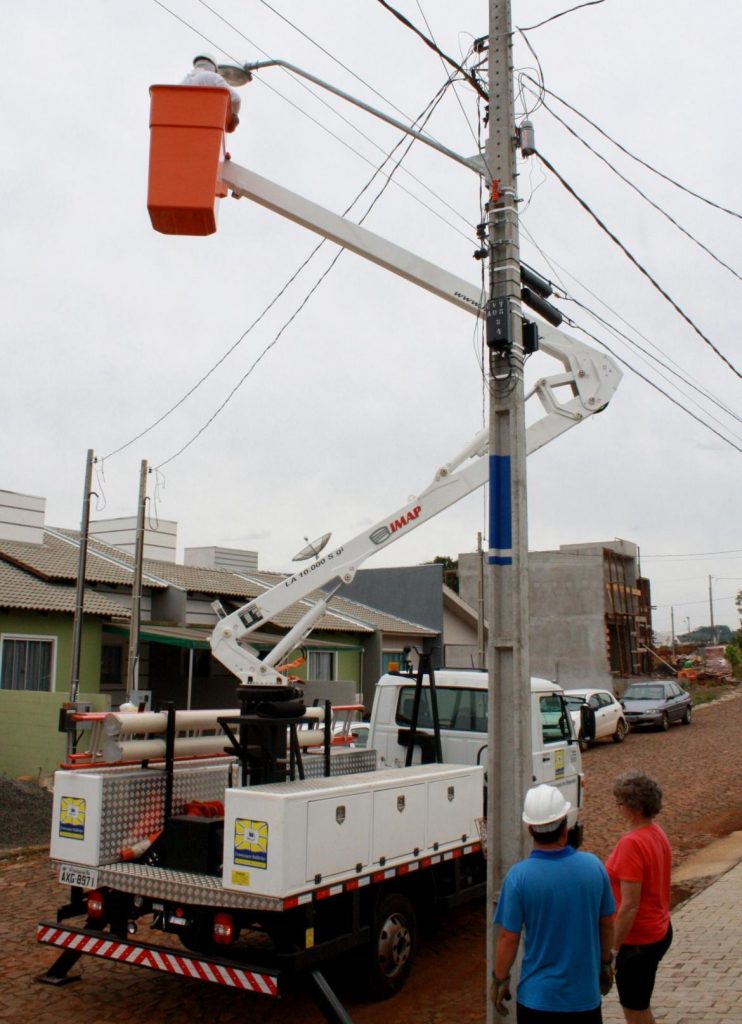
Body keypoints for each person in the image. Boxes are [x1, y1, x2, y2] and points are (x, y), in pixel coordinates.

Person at [492, 784, 616, 1022]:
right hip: (584, 999)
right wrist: (605, 962)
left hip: (537, 1000)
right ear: (565, 828)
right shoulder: (593, 867)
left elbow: (508, 938)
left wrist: (500, 979)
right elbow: (607, 923)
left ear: (530, 829)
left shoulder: (519, 877)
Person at [605, 771, 672, 1024]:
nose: (618, 808)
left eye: (619, 803)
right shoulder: (656, 832)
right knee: (639, 1003)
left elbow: (630, 905)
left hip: (638, 940)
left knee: (635, 1010)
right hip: (658, 928)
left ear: (632, 807)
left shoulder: (631, 843)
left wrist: (613, 950)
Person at [181, 54, 242, 132]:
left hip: (185, 128)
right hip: (206, 127)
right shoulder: (213, 77)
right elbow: (236, 98)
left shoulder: (183, 82)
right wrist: (234, 116)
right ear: (213, 67)